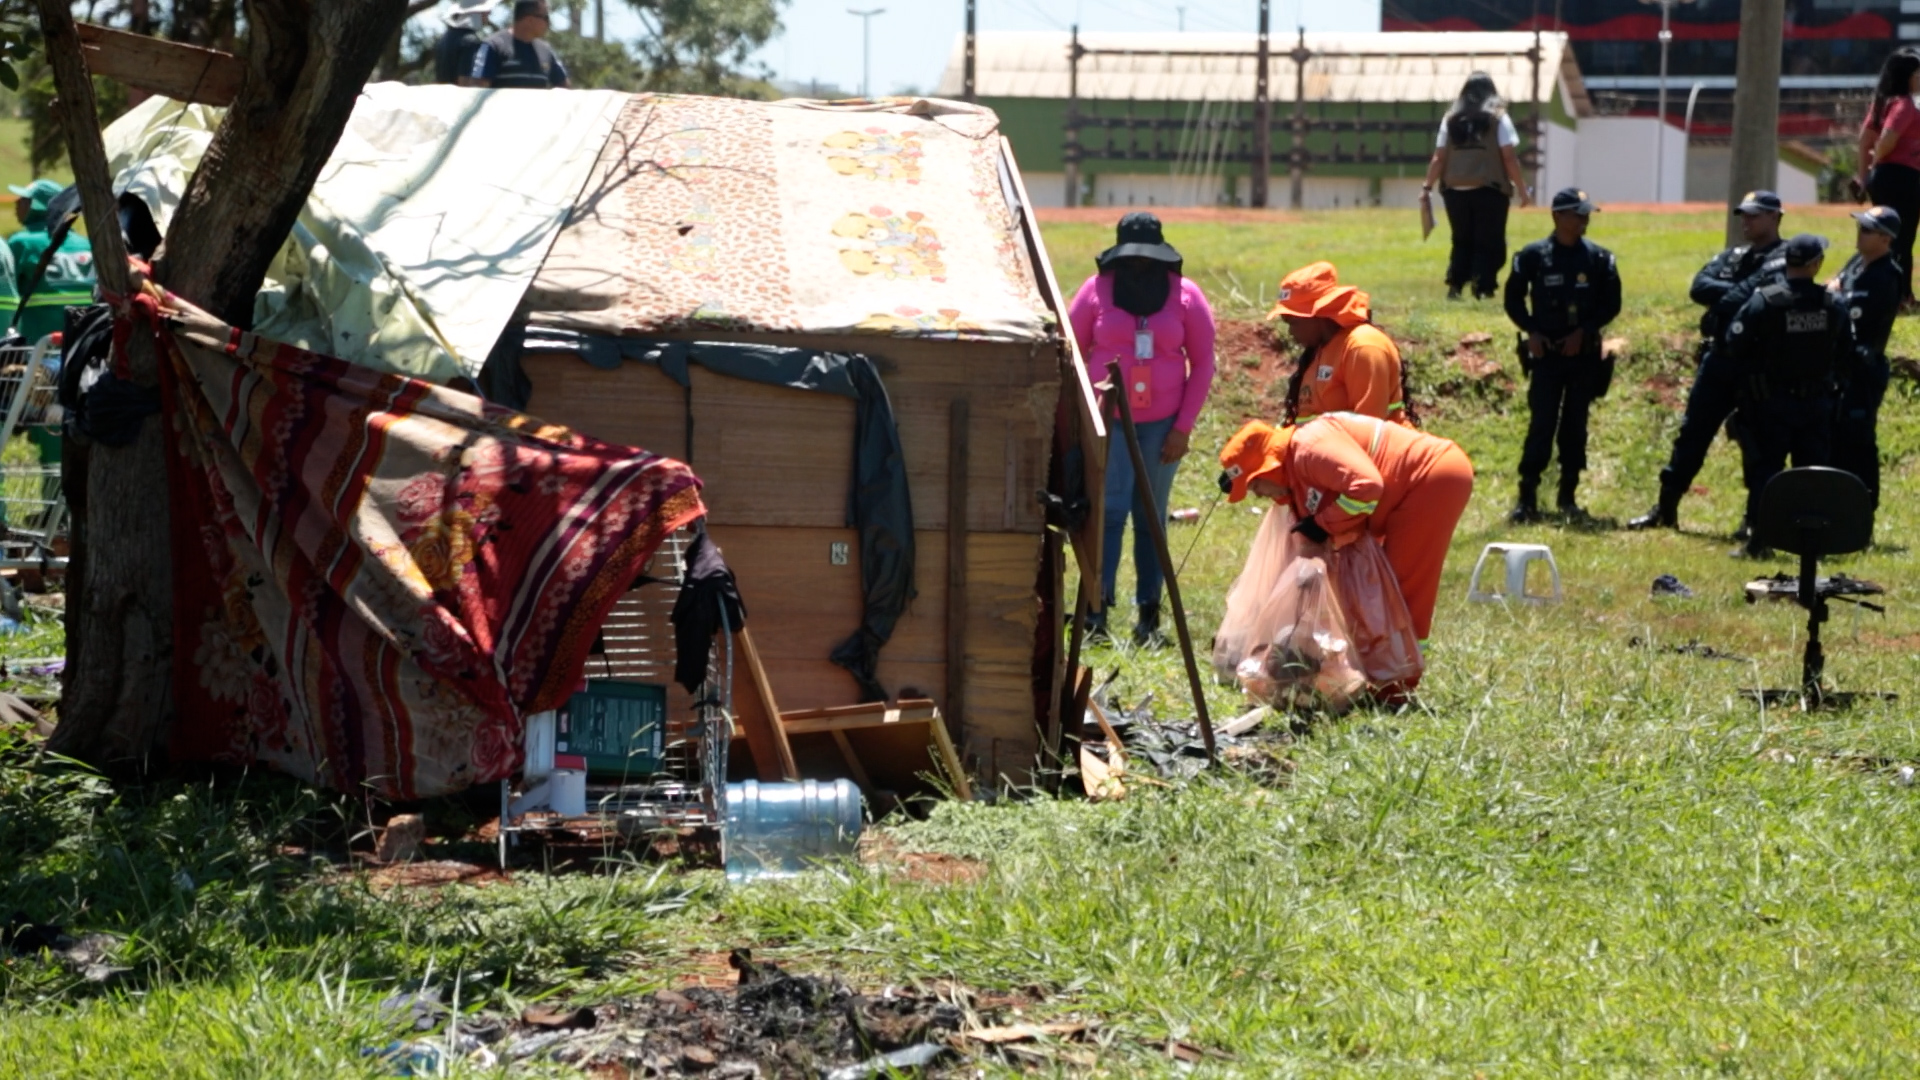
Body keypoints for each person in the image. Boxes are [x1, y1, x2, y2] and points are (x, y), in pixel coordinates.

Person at [1068, 212, 1217, 646]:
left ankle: (1148, 616)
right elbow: (1073, 352)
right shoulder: (1095, 291)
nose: (1137, 268)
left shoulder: (1186, 295)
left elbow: (1203, 362)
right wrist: (1083, 418)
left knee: (1150, 517)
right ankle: (1096, 611)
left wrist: (1183, 428)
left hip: (1162, 426)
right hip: (1109, 421)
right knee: (1109, 513)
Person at [1218, 415, 1474, 651]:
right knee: (1378, 588)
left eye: (1254, 486)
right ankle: (1383, 669)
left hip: (1431, 478)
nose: (1260, 495)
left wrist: (1323, 524)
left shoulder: (1308, 449)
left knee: (1401, 588)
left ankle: (1396, 683)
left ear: (1267, 468)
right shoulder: (1295, 468)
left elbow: (1367, 488)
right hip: (1415, 484)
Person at [1628, 190, 1787, 532]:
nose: (1747, 221)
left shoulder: (1785, 258)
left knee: (1756, 440)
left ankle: (1754, 520)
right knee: (1692, 433)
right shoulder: (1733, 256)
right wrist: (1741, 292)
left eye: (1755, 215)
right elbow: (1699, 287)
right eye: (1744, 215)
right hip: (1718, 359)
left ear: (1775, 218)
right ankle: (1666, 507)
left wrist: (1734, 294)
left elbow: (1764, 296)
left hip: (1757, 364)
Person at [1722, 234, 1854, 558]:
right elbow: (1847, 352)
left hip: (1772, 402)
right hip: (1816, 402)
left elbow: (1734, 342)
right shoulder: (1832, 303)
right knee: (1813, 473)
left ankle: (1759, 540)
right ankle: (1814, 544)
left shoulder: (1766, 300)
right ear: (1815, 265)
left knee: (1767, 470)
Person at [1503, 187, 1622, 522]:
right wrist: (1532, 332)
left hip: (1582, 356)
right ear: (1557, 216)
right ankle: (1527, 498)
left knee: (1575, 424)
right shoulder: (1533, 256)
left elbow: (1611, 304)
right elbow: (1513, 299)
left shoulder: (1599, 259)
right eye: (1577, 214)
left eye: (1585, 214)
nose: (1584, 220)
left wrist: (1584, 331)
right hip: (1546, 356)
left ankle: (1567, 497)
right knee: (1541, 422)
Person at [1420, 71, 1532, 301]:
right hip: (1489, 188)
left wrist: (1427, 186)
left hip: (1454, 190)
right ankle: (1483, 287)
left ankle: (1456, 286)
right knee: (1489, 239)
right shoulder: (1498, 118)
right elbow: (1509, 156)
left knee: (1461, 238)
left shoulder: (1450, 119)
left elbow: (1439, 157)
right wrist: (1521, 188)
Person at [1265, 261, 1412, 426]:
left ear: (1318, 315)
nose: (1291, 332)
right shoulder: (1321, 350)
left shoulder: (1362, 347)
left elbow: (1369, 432)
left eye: (1292, 322)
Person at [1828, 205, 1903, 518]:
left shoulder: (1886, 276)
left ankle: (1863, 512)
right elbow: (1832, 288)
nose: (1860, 233)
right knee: (1836, 441)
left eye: (1867, 230)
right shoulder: (1857, 263)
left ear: (1885, 239)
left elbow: (1845, 308)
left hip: (1863, 370)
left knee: (1859, 443)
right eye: (1860, 227)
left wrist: (1835, 295)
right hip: (1840, 368)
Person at [1858, 48, 1920, 304]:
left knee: (1885, 237)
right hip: (1903, 177)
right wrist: (1878, 158)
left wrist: (1865, 176)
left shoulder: (1882, 102)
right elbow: (1886, 139)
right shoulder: (1905, 104)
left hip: (1883, 179)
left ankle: (1889, 293)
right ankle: (1902, 296)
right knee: (1902, 240)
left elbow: (1863, 141)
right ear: (1907, 76)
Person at [6, 179, 94, 345]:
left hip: (36, 347)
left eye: (25, 200)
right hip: (80, 348)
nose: (17, 203)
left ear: (39, 206)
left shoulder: (22, 243)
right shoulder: (87, 244)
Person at [465, 0, 568, 89]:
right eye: (545, 17)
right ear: (529, 20)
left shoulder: (546, 51)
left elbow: (564, 89)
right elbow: (477, 89)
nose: (548, 23)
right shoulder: (493, 46)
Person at [435, 2, 494, 85]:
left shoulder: (444, 38)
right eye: (485, 13)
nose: (487, 18)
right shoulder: (470, 41)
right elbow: (465, 83)